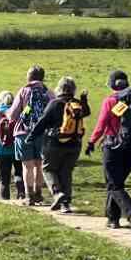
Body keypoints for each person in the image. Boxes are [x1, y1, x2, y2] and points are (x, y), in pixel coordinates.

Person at [89, 69, 131, 234]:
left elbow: (102, 125)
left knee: (113, 184)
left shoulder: (110, 101)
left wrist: (91, 142)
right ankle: (112, 219)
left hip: (113, 146)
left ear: (111, 84)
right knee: (117, 183)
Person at [25, 76, 90, 212]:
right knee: (66, 172)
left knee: (48, 169)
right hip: (74, 144)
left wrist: (30, 137)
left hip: (54, 143)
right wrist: (84, 100)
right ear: (73, 89)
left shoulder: (54, 103)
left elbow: (42, 122)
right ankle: (65, 205)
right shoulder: (76, 104)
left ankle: (57, 193)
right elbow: (87, 112)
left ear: (59, 89)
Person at [8, 66, 53, 207]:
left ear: (29, 76)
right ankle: (39, 194)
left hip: (24, 132)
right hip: (43, 133)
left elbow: (13, 115)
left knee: (27, 166)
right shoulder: (49, 93)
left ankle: (29, 196)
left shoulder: (23, 91)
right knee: (39, 165)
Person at [0, 89, 24, 200]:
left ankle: (4, 199)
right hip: (18, 149)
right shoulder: (19, 113)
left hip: (1, 151)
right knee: (19, 173)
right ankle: (21, 194)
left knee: (3, 178)